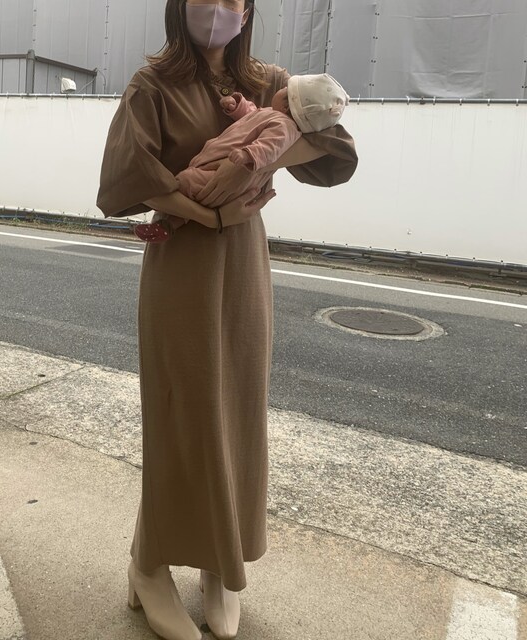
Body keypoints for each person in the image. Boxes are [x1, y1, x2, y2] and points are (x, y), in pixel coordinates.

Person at [96, 1, 358, 639]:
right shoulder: (153, 84)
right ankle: (149, 565)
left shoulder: (270, 82)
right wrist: (211, 211)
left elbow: (335, 149)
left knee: (236, 411)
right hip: (182, 256)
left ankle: (220, 562)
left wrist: (267, 150)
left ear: (247, 11)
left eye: (231, 0)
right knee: (180, 412)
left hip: (243, 262)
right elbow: (130, 176)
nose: (217, 10)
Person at [134, 72, 351, 242]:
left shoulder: (284, 126)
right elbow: (251, 114)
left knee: (187, 182)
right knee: (195, 193)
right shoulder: (271, 114)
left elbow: (270, 147)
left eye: (285, 89)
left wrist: (248, 154)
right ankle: (169, 225)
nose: (281, 88)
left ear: (287, 104)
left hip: (222, 172)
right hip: (216, 169)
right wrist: (236, 106)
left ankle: (166, 212)